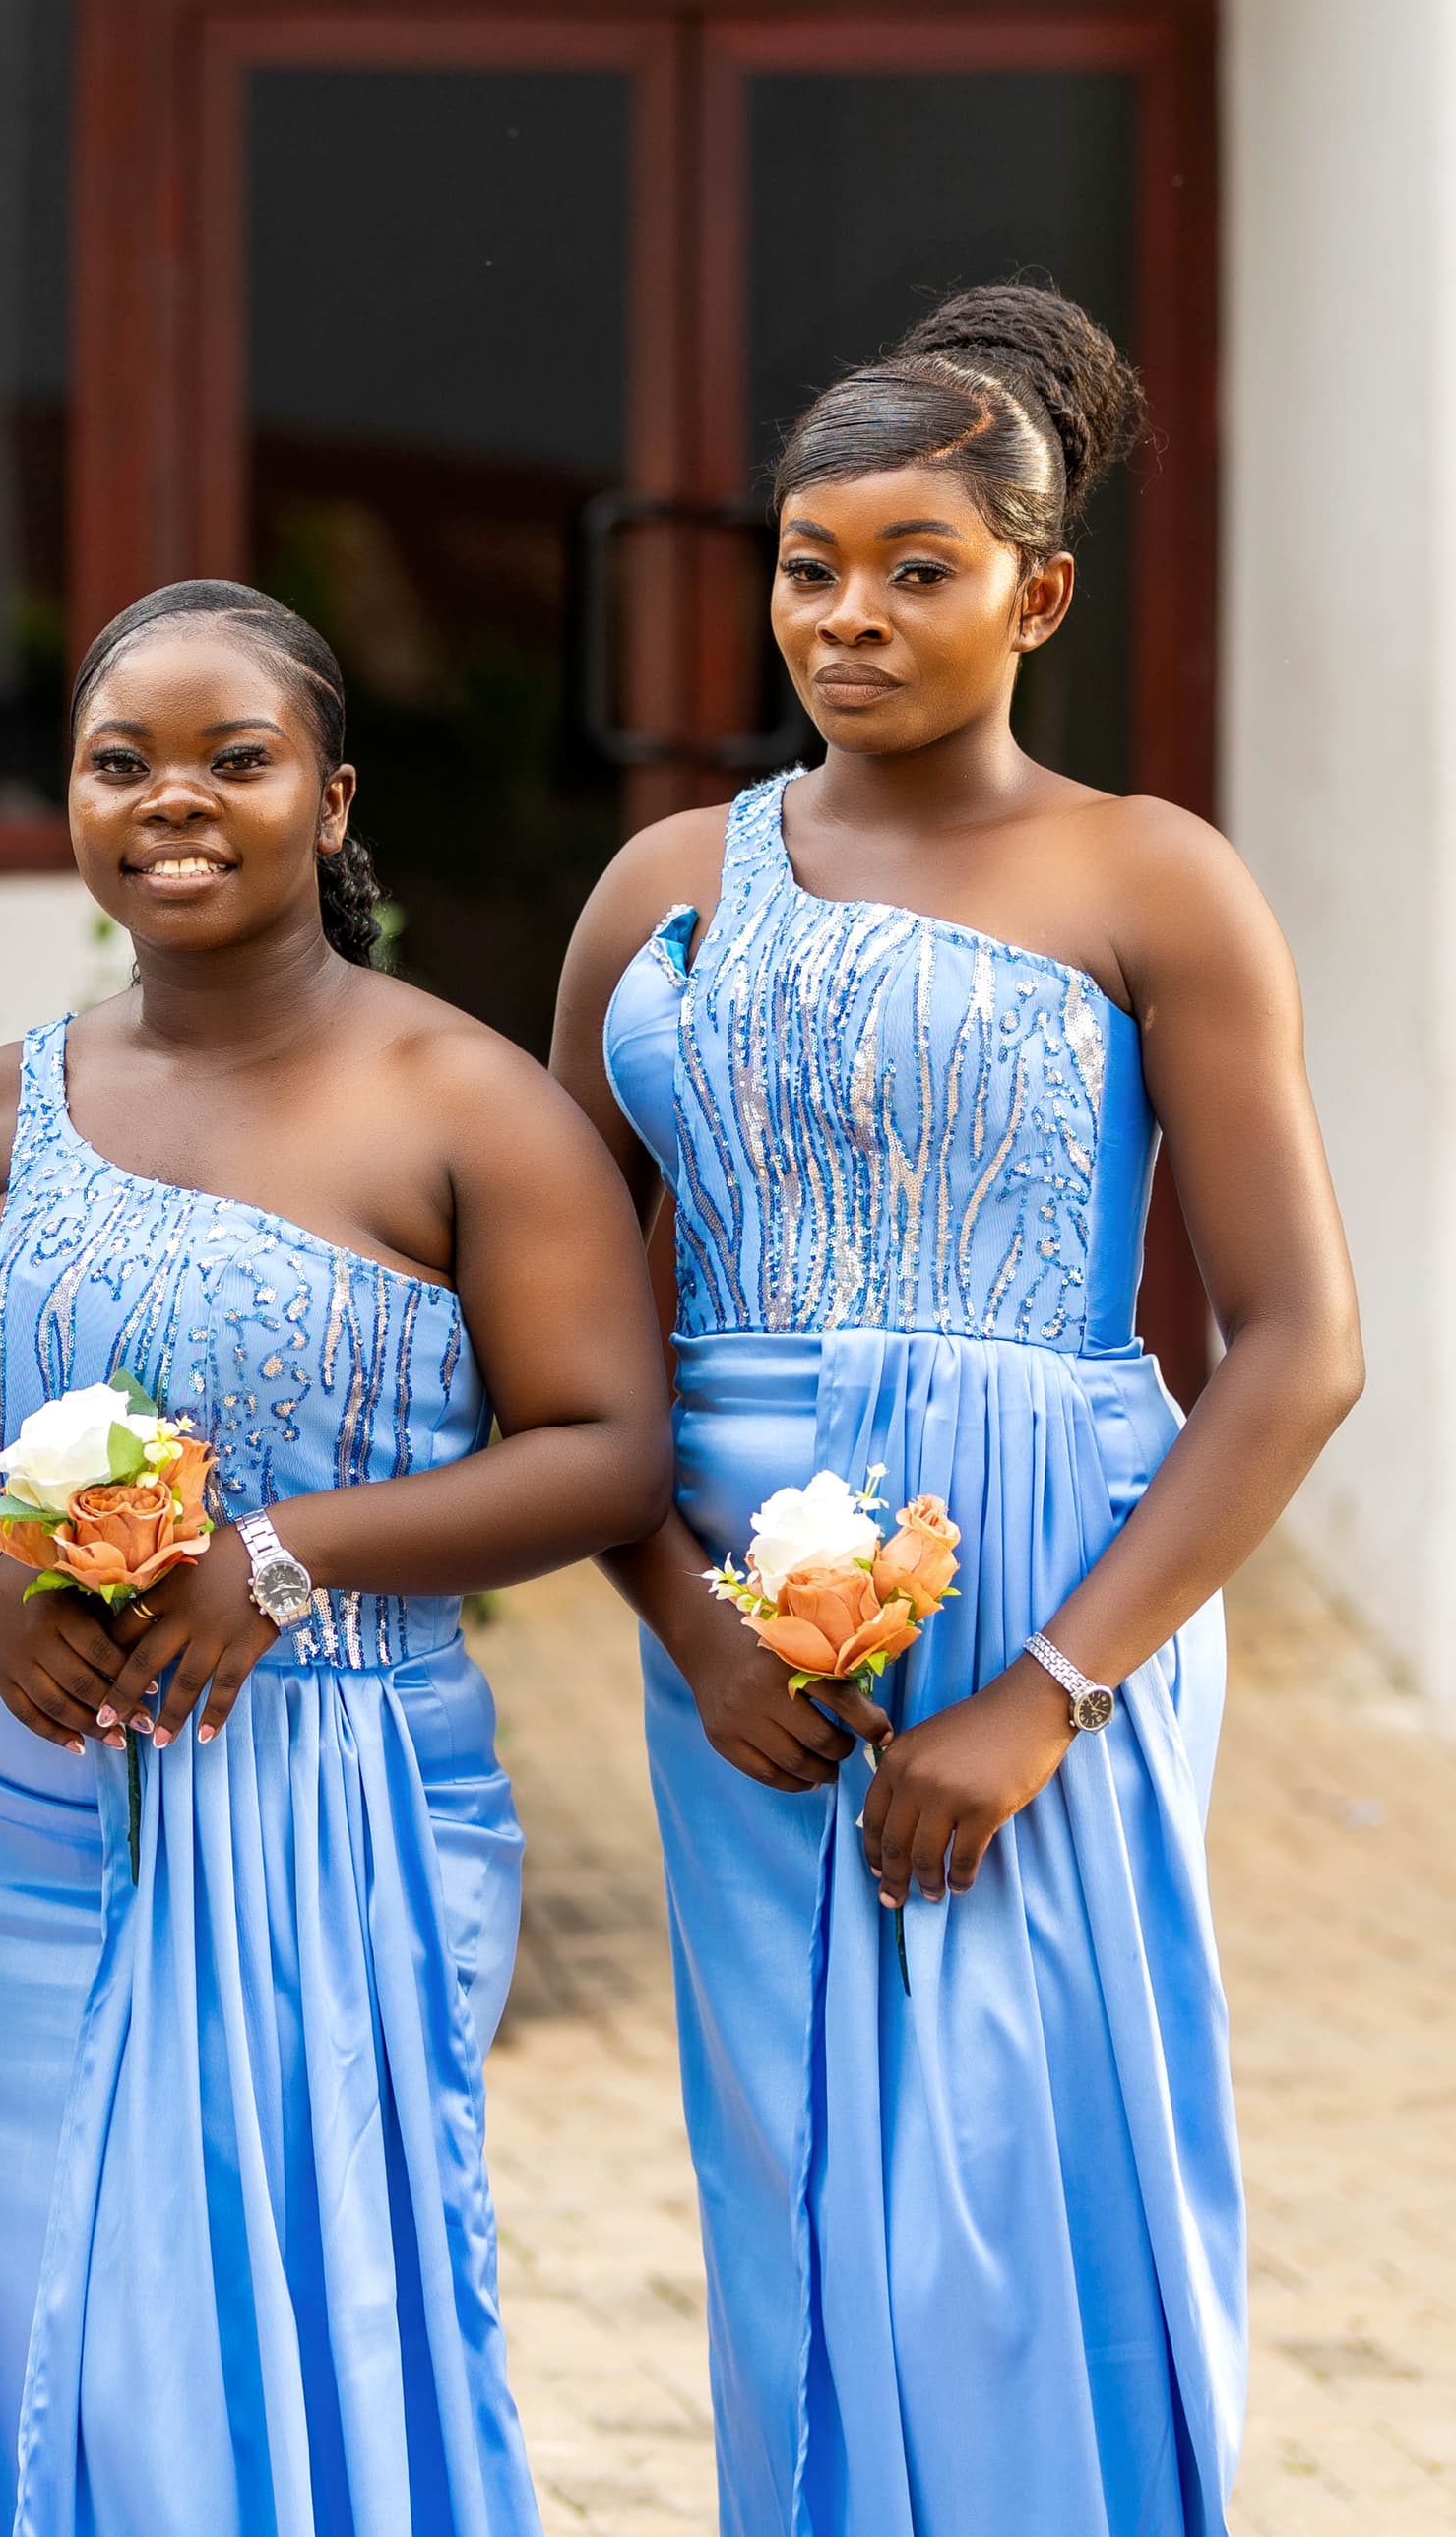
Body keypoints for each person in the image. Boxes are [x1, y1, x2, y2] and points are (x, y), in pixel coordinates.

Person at [547, 286, 1362, 2537]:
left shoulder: (1151, 878)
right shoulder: (663, 891)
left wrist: (1047, 1690)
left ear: (1039, 592)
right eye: (810, 564)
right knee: (802, 2177)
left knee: (1028, 2163)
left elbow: (1299, 1347)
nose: (851, 615)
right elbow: (560, 1343)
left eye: (919, 567)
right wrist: (693, 1632)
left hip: (1056, 1589)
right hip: (745, 1651)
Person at [0, 583, 669, 2537]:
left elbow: (608, 1450)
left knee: (314, 2340)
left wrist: (282, 1558)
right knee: (55, 2345)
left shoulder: (464, 1100)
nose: (175, 803)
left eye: (238, 760)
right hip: (27, 1830)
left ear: (331, 796)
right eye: (120, 762)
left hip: (348, 1810)